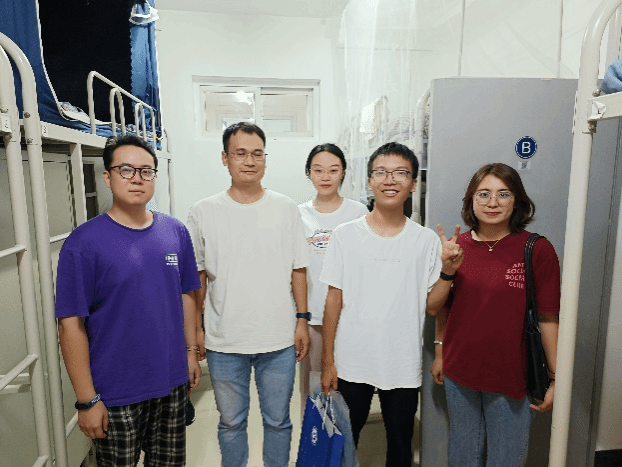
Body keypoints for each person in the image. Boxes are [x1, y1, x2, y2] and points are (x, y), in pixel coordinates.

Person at [55, 135, 201, 467]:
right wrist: (87, 400)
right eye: (126, 170)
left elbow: (187, 294)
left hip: (171, 382)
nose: (137, 178)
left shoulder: (175, 232)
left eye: (146, 171)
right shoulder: (84, 243)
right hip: (115, 392)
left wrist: (190, 352)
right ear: (108, 177)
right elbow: (70, 324)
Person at [320, 142, 452, 467]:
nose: (390, 180)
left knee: (401, 447)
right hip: (351, 360)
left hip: (402, 363)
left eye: (400, 173)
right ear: (369, 181)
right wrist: (328, 361)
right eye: (381, 172)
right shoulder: (345, 235)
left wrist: (448, 272)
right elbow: (333, 300)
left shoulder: (425, 240)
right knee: (343, 444)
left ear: (413, 183)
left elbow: (434, 306)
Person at [186, 122, 310, 467]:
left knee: (278, 421)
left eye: (257, 154)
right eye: (240, 153)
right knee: (231, 423)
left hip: (278, 339)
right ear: (225, 158)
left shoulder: (286, 208)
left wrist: (302, 319)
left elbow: (298, 269)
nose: (250, 161)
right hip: (224, 341)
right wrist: (196, 330)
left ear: (265, 159)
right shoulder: (203, 211)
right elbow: (197, 278)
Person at [429, 163, 560, 467]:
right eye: (483, 194)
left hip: (512, 376)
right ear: (471, 201)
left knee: (506, 459)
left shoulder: (536, 249)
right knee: (463, 457)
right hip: (459, 373)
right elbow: (437, 308)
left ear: (517, 201)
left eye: (503, 194)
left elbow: (548, 317)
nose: (492, 202)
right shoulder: (456, 247)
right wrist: (439, 353)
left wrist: (556, 377)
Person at [298, 143, 368, 403]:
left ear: (343, 172)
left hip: (350, 316)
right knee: (314, 389)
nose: (325, 177)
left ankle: (346, 430)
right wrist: (299, 317)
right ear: (309, 173)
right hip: (313, 316)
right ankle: (314, 431)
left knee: (348, 388)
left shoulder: (359, 213)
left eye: (333, 170)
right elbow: (295, 270)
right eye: (318, 170)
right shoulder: (298, 214)